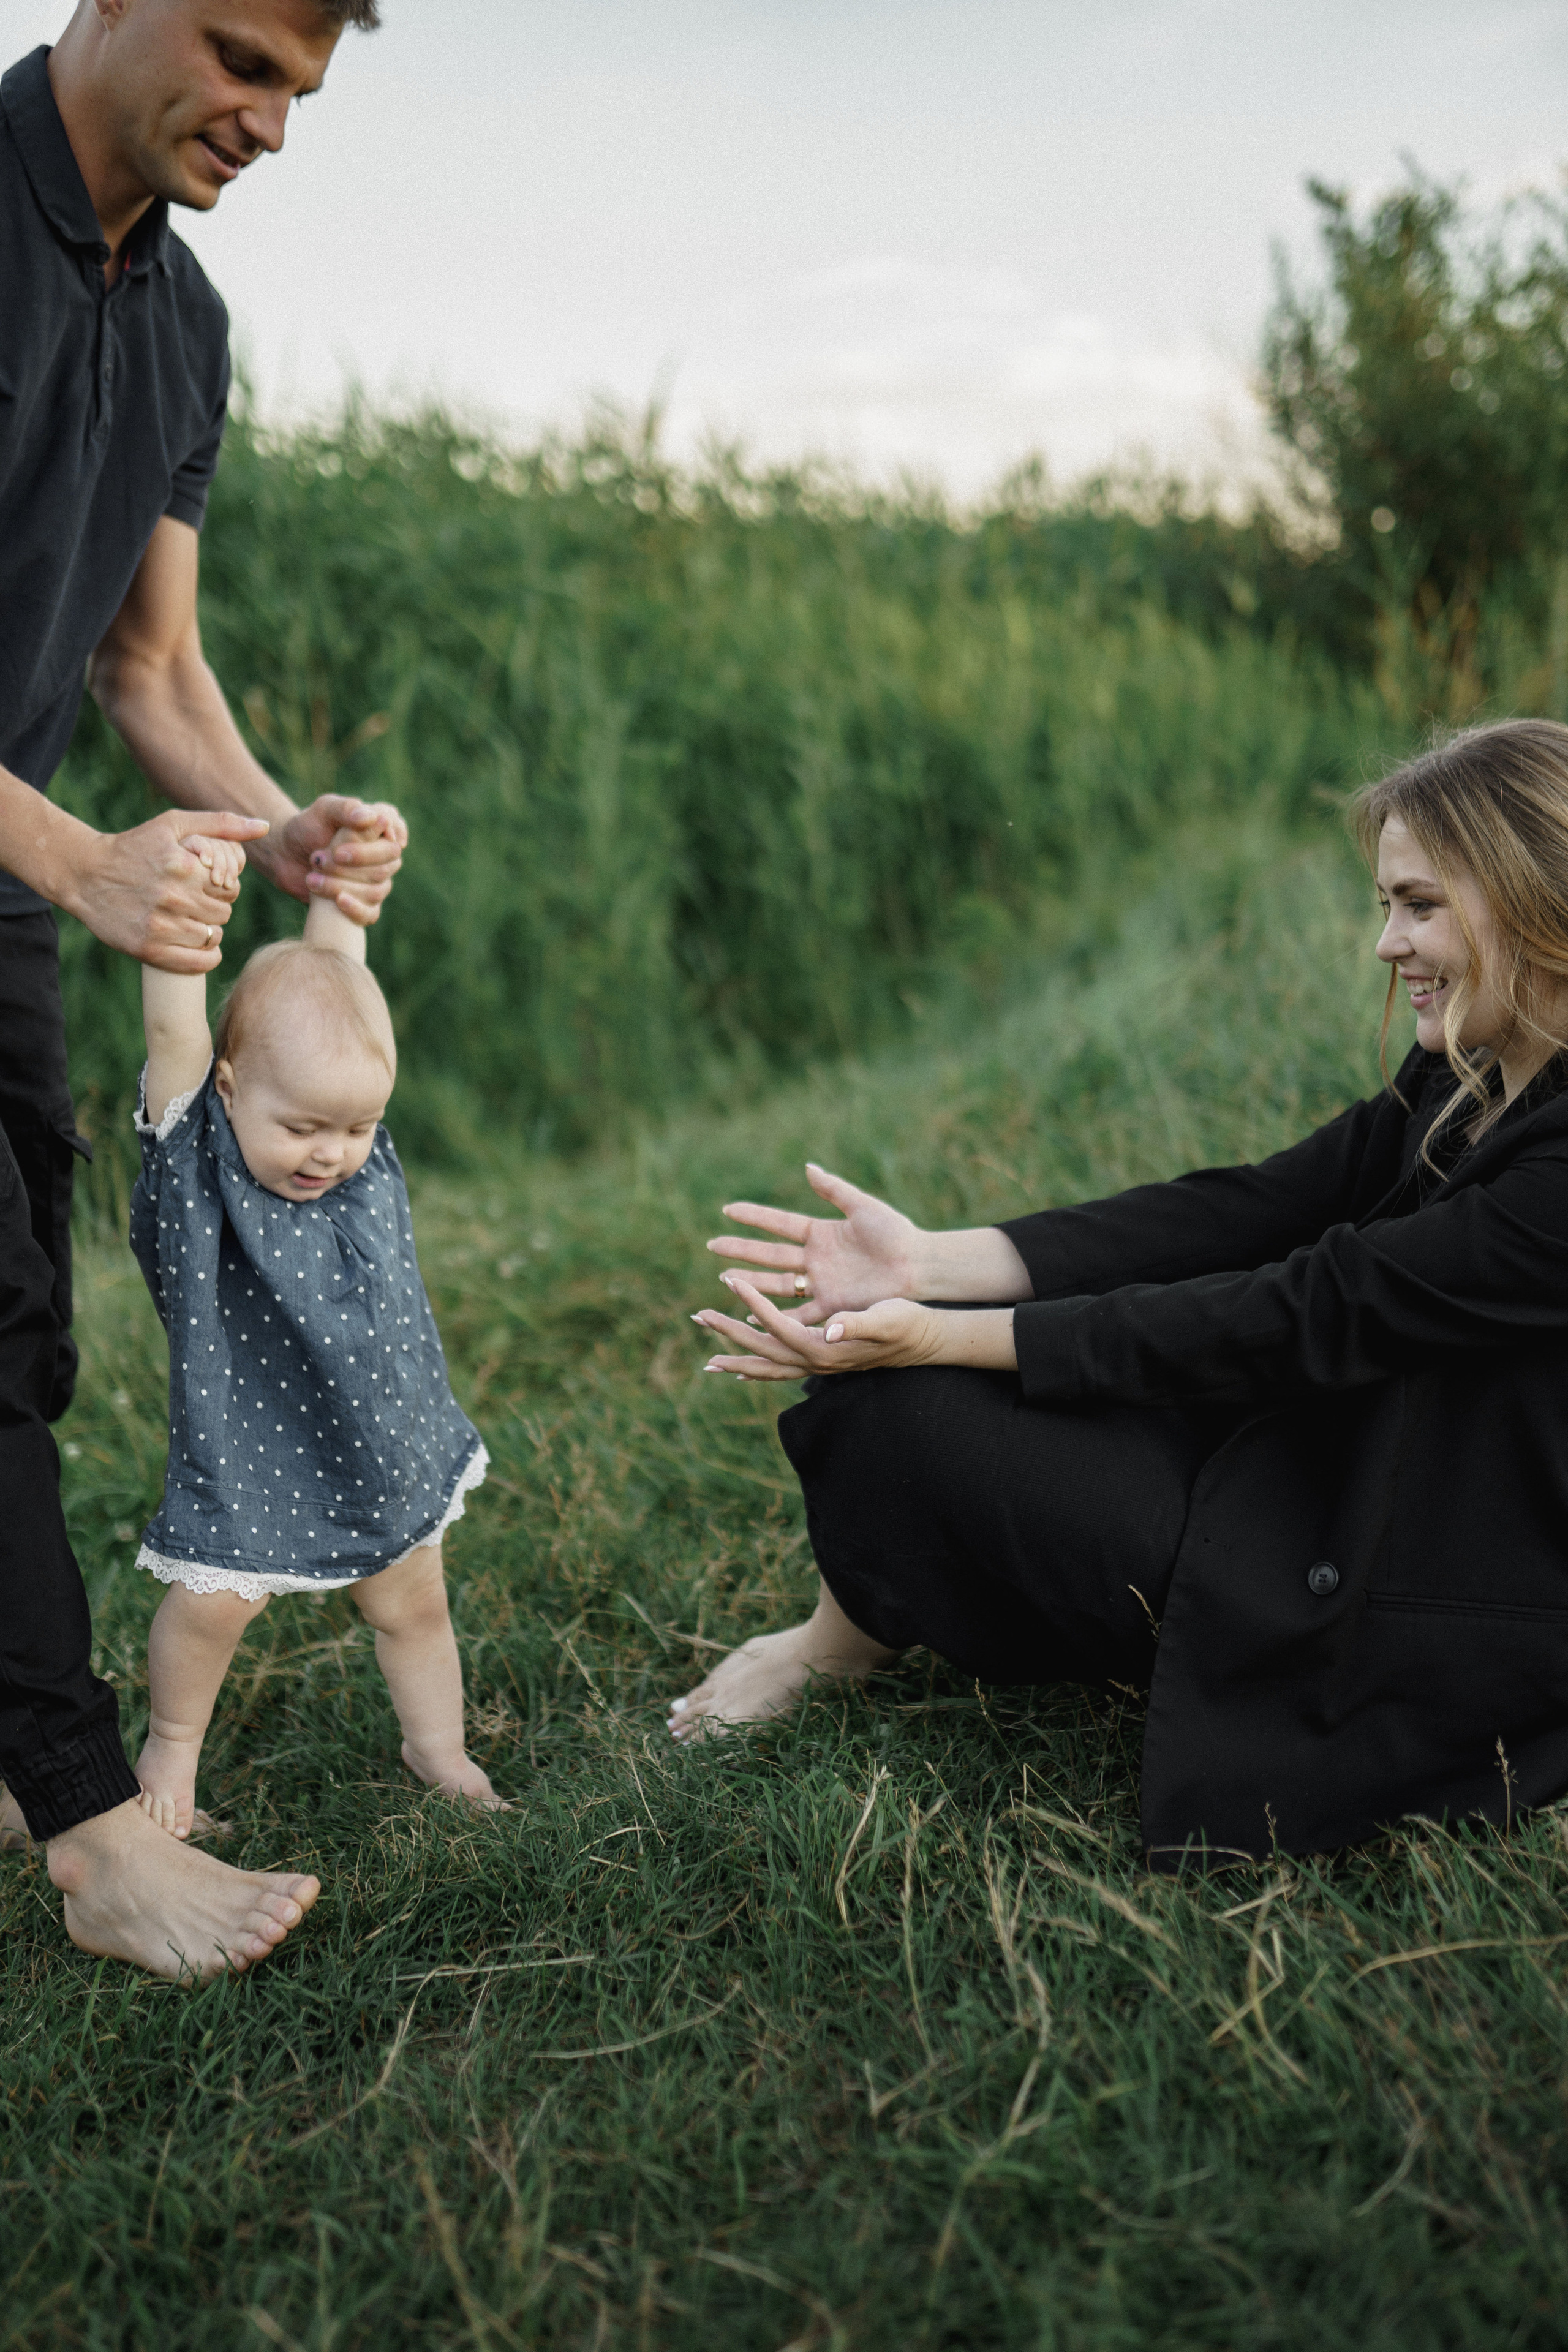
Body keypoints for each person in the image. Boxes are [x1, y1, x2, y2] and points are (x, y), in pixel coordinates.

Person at [679, 718, 1568, 1864]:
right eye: (1386, 904)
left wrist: (941, 1339)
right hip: (1342, 1458)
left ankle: (834, 1649)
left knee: (908, 1409)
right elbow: (1258, 1206)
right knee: (910, 1397)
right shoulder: (1478, 1069)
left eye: (1419, 905)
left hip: (1420, 1591)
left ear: (1536, 898)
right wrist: (934, 1266)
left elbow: (1302, 1312)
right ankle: (838, 1641)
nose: (1386, 944)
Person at [0, 0, 402, 1977]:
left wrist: (276, 830)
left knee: (30, 1328)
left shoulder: (187, 323)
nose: (269, 123)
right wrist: (83, 861)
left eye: (299, 92)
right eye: (242, 57)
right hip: (32, 859)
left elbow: (145, 668)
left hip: (10, 886)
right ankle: (92, 1831)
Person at [129, 829, 499, 1839]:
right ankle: (170, 1756)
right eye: (303, 1128)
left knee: (413, 1602)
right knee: (214, 1606)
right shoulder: (199, 1158)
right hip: (250, 1444)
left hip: (381, 1431)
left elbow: (339, 984)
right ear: (230, 1089)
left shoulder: (351, 1133)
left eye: (358, 1128)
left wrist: (341, 876)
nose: (331, 1152)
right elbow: (173, 1029)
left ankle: (439, 1749)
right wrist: (186, 912)